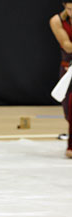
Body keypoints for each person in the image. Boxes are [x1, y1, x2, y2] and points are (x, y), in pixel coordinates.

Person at [50, 0, 72, 158]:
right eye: (70, 9)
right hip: (68, 69)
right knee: (67, 111)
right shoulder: (57, 20)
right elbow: (66, 45)